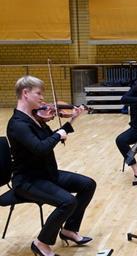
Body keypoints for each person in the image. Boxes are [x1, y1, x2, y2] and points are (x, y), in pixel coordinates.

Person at [7, 75, 96, 256]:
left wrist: (71, 121)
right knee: (68, 201)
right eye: (38, 93)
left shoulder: (35, 119)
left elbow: (50, 139)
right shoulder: (18, 124)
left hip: (47, 174)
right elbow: (40, 148)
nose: (42, 99)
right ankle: (41, 243)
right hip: (28, 180)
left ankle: (69, 230)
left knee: (88, 184)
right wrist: (60, 132)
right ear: (25, 93)